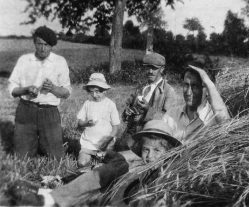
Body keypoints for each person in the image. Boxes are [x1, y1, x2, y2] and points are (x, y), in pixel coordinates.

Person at [7, 120, 181, 207]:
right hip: (106, 194)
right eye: (146, 150)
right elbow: (118, 156)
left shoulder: (169, 173)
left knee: (116, 167)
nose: (150, 156)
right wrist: (97, 154)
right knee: (116, 165)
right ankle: (47, 196)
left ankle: (50, 197)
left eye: (157, 151)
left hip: (123, 201)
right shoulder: (137, 163)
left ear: (168, 152)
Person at [8, 26, 72, 159]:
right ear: (34, 43)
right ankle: (31, 143)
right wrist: (26, 89)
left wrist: (53, 88)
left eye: (46, 45)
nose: (43, 48)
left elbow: (66, 93)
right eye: (39, 44)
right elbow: (12, 89)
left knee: (56, 158)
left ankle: (47, 143)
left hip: (49, 112)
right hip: (26, 110)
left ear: (52, 46)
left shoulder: (60, 62)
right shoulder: (24, 60)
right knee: (21, 158)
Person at [116, 52, 177, 151]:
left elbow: (168, 121)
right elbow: (126, 112)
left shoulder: (168, 91)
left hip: (150, 138)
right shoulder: (140, 88)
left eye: (154, 68)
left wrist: (148, 109)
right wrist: (127, 113)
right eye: (147, 68)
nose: (150, 71)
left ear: (162, 69)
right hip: (131, 134)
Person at [163, 65, 230, 142]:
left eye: (195, 86)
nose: (188, 92)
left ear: (207, 89)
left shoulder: (213, 118)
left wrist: (209, 83)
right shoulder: (171, 114)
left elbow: (227, 126)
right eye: (186, 85)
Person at [76, 73, 120, 167]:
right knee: (82, 163)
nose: (95, 95)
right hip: (88, 142)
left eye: (97, 91)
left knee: (106, 166)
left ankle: (101, 159)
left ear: (105, 91)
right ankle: (88, 157)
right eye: (91, 92)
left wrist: (107, 141)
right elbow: (80, 123)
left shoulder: (110, 104)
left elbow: (115, 127)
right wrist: (86, 123)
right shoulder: (88, 103)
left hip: (105, 143)